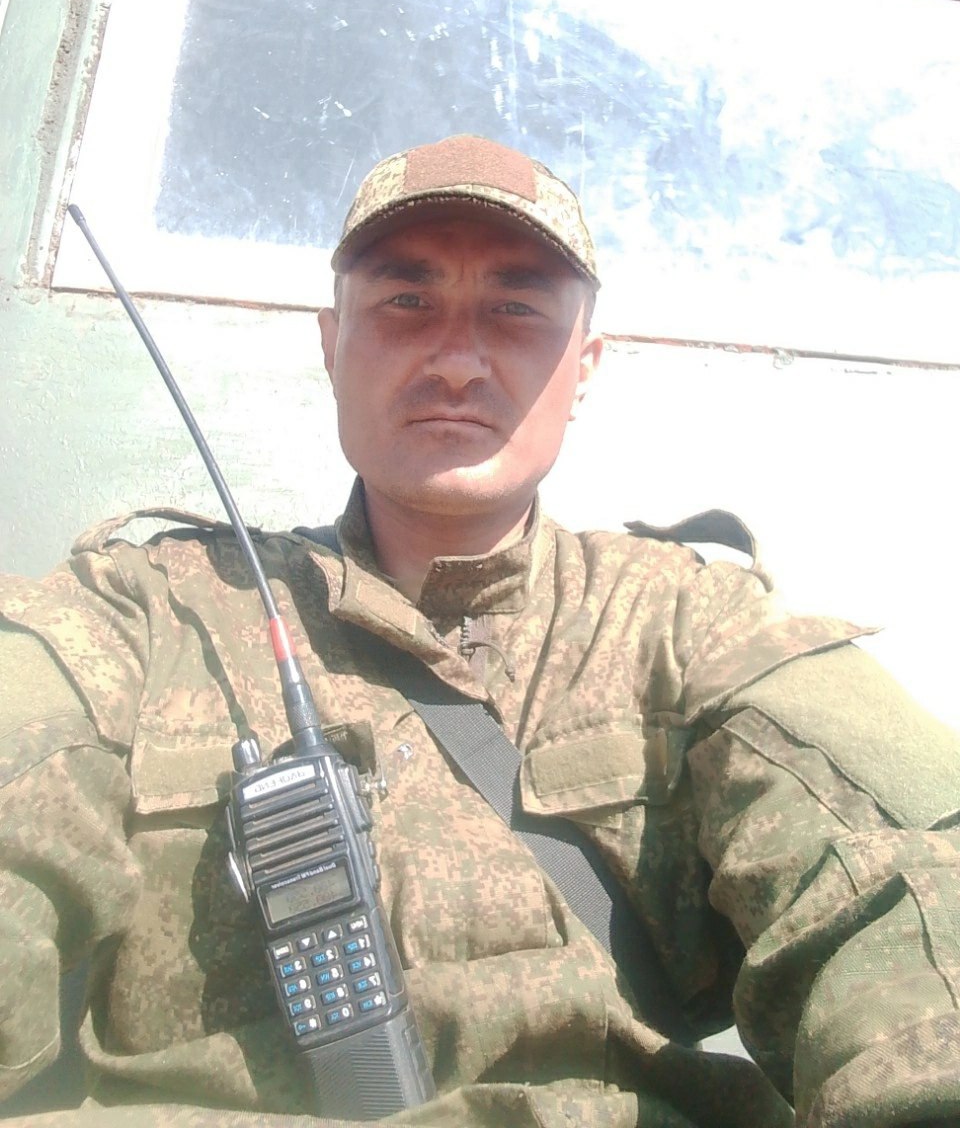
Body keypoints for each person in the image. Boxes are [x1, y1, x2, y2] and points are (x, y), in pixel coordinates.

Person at [1, 133, 958, 1128]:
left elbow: (908, 885)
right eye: (404, 301)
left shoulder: (688, 623)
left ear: (583, 368)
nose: (457, 361)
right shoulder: (146, 615)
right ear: (332, 343)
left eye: (515, 309)